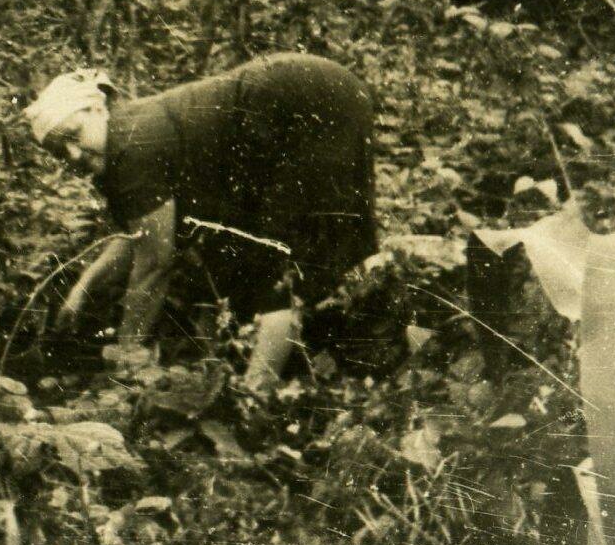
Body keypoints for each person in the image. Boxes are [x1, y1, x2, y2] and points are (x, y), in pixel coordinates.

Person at [26, 54, 376, 390]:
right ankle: (368, 327)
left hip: (304, 101)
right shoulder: (124, 134)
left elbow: (155, 262)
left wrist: (127, 353)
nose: (73, 155)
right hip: (317, 94)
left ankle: (257, 393)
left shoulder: (132, 147)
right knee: (294, 248)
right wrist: (83, 288)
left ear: (97, 109)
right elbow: (138, 235)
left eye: (74, 136)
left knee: (274, 263)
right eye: (60, 152)